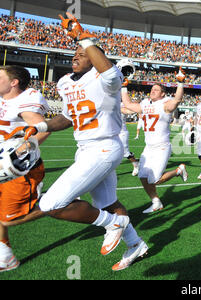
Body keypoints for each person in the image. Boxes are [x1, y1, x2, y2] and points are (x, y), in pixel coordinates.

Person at [27, 13, 147, 271]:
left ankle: (113, 224)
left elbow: (108, 70)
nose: (76, 55)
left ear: (95, 59)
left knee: (50, 204)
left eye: (83, 53)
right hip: (85, 149)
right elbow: (67, 117)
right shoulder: (64, 83)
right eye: (75, 52)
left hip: (104, 147)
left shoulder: (106, 78)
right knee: (108, 204)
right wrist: (39, 125)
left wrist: (84, 36)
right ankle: (135, 243)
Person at [0, 65, 50, 272]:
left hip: (19, 168)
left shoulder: (25, 99)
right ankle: (5, 256)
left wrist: (19, 154)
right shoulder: (4, 99)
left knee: (9, 219)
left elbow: (42, 129)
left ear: (14, 82)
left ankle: (60, 201)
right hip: (2, 162)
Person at [121, 72, 188, 214]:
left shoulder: (165, 104)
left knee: (155, 179)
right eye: (152, 89)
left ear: (163, 94)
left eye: (156, 89)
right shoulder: (145, 104)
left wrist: (180, 83)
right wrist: (123, 87)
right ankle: (156, 202)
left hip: (161, 146)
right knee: (142, 177)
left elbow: (176, 101)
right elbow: (127, 104)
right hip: (149, 147)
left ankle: (178, 171)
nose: (153, 90)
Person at [119, 104, 139, 176]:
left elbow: (127, 111)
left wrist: (135, 110)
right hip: (112, 133)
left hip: (122, 133)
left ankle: (136, 165)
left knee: (125, 152)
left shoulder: (120, 105)